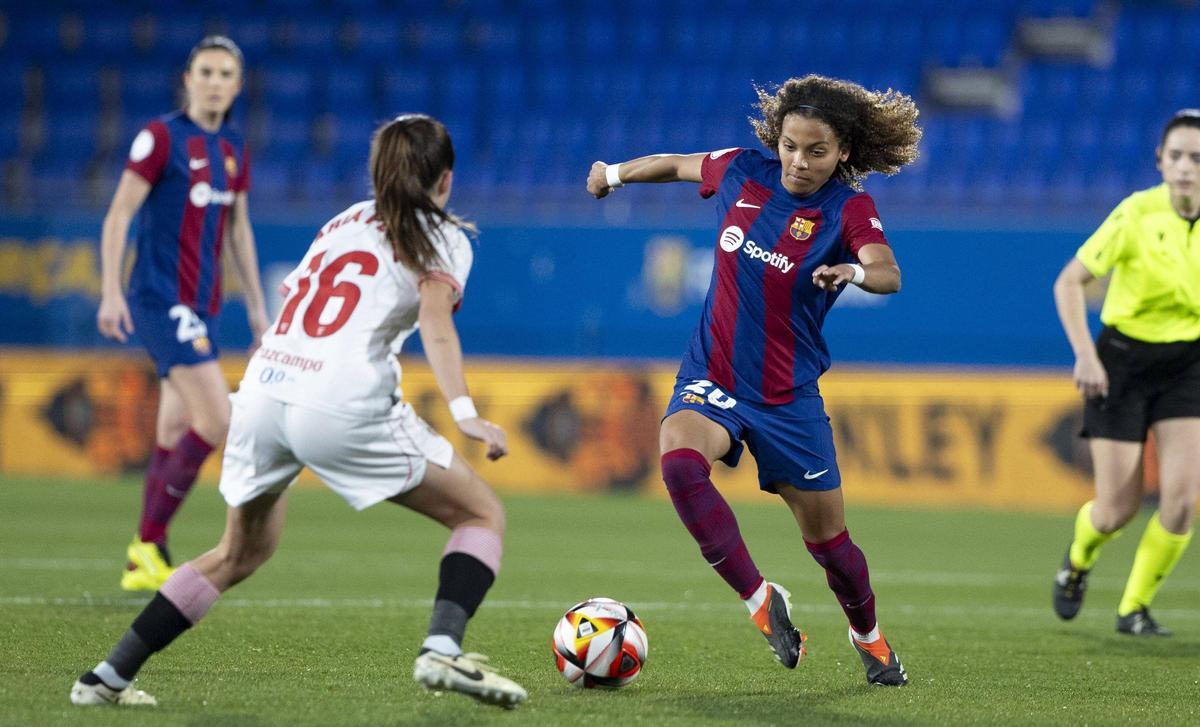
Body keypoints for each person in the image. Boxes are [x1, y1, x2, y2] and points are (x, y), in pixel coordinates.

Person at [72, 114, 527, 708]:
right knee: (481, 515)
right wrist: (463, 411)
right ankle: (441, 649)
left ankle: (105, 679)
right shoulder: (443, 236)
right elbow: (436, 324)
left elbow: (297, 299)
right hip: (338, 400)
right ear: (445, 180)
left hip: (262, 393)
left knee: (237, 553)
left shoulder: (341, 221)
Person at [587, 75, 920, 686]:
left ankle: (869, 638)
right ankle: (760, 601)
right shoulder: (742, 171)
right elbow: (676, 164)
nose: (799, 161)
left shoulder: (847, 208)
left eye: (816, 151)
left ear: (842, 151)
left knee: (832, 550)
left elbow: (888, 273)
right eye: (791, 145)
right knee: (680, 465)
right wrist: (613, 173)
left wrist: (852, 270)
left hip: (788, 399)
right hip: (712, 375)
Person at [96, 36, 270, 592]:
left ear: (238, 85)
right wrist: (109, 290)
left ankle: (143, 555)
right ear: (188, 78)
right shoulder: (161, 137)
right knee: (217, 420)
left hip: (203, 306)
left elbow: (238, 228)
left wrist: (260, 310)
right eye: (206, 71)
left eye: (225, 73)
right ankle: (146, 545)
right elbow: (120, 212)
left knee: (174, 427)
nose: (215, 81)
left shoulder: (233, 149)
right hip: (159, 298)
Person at [1051, 108, 1200, 636]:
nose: (1186, 167)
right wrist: (1085, 356)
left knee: (1182, 502)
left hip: (1188, 363)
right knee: (1117, 510)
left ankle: (1133, 608)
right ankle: (1078, 560)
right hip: (1122, 364)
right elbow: (1069, 283)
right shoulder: (1136, 213)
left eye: (1197, 158)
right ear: (1161, 161)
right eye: (1177, 156)